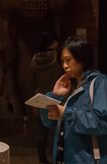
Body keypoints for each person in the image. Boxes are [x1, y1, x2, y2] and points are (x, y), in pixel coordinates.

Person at [41, 37, 107, 164]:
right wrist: (55, 96)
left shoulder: (100, 83)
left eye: (68, 60)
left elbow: (103, 123)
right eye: (62, 61)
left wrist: (66, 113)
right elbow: (48, 122)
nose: (65, 65)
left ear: (82, 57)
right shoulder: (70, 87)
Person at [31, 30, 63, 164]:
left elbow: (31, 79)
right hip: (55, 97)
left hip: (39, 98)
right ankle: (56, 158)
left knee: (41, 132)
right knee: (56, 132)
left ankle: (42, 159)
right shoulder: (57, 57)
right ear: (54, 41)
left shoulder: (35, 58)